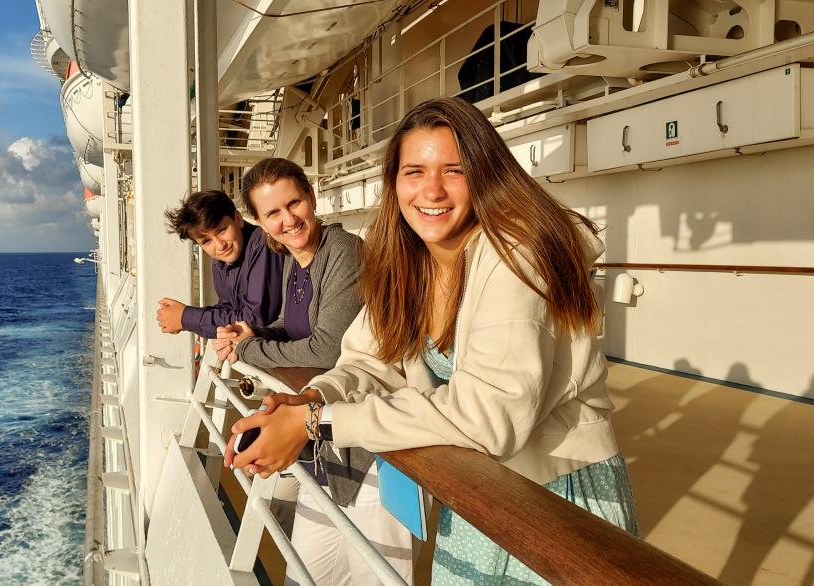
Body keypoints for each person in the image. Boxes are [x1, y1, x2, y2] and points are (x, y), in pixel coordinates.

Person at [226, 98, 638, 585]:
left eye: (454, 170)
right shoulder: (412, 259)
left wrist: (316, 423)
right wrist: (312, 398)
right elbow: (370, 359)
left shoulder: (517, 255)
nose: (431, 190)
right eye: (414, 171)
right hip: (481, 492)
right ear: (395, 181)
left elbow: (489, 416)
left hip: (555, 497)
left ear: (485, 174)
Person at [213, 157, 413, 586]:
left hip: (371, 445)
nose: (288, 220)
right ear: (258, 221)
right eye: (273, 213)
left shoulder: (344, 253)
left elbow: (326, 348)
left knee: (374, 575)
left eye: (294, 203)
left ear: (312, 196)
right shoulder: (292, 259)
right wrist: (251, 334)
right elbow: (292, 325)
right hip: (321, 436)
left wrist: (249, 348)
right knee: (308, 572)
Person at [157, 189, 282, 339]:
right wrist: (185, 317)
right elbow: (229, 309)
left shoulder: (262, 245)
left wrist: (187, 318)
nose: (220, 245)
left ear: (238, 219)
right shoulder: (221, 262)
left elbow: (257, 319)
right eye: (206, 241)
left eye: (222, 230)